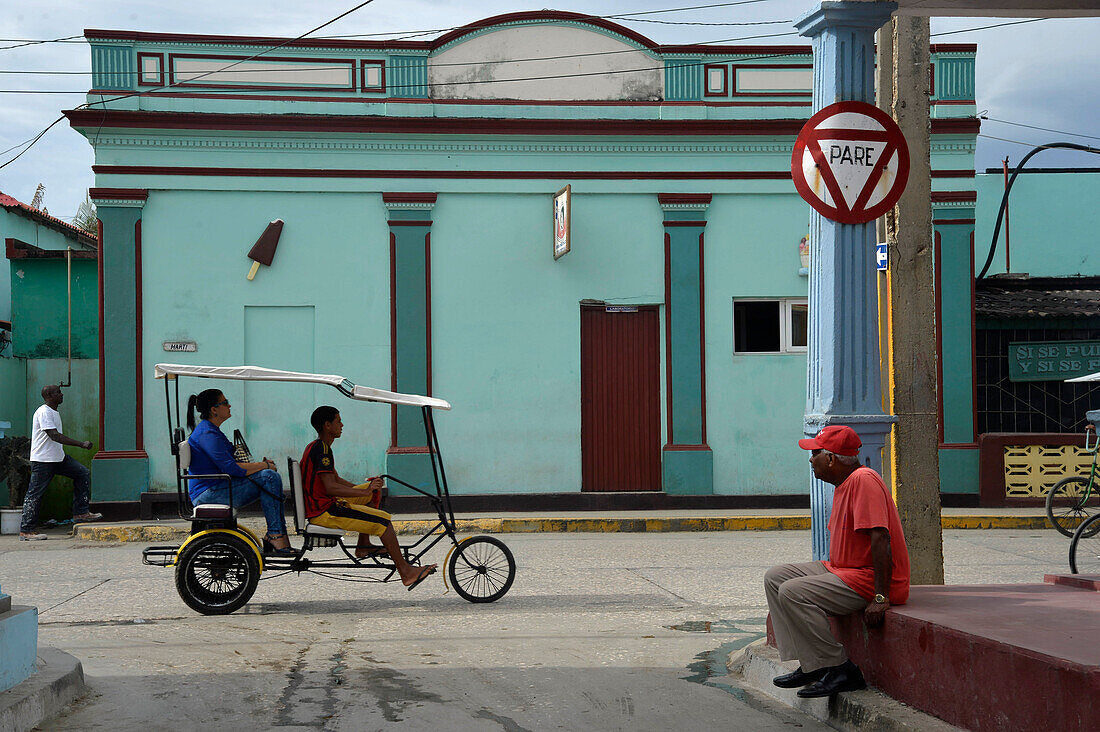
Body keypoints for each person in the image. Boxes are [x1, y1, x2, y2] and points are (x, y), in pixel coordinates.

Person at [763, 425, 910, 698]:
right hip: (843, 570)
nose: (811, 459)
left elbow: (880, 538)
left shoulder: (864, 480)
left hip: (866, 578)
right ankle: (812, 664)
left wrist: (880, 596)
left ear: (831, 459)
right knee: (775, 577)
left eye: (815, 453)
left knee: (792, 592)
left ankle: (840, 668)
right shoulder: (844, 483)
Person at [301, 405, 437, 590]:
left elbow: (337, 480)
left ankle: (363, 545)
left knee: (374, 491)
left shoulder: (319, 447)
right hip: (324, 510)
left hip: (322, 504)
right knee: (383, 521)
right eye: (338, 421)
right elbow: (331, 487)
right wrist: (362, 492)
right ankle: (406, 572)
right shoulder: (322, 450)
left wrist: (367, 489)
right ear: (327, 425)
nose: (342, 425)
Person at [185, 388, 294, 556]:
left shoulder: (211, 430)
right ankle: (276, 534)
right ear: (214, 410)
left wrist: (261, 465)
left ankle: (278, 534)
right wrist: (263, 466)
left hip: (219, 486)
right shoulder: (207, 433)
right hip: (209, 493)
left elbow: (234, 463)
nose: (229, 406)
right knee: (269, 478)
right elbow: (231, 468)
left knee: (269, 476)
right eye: (225, 403)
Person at [20, 384, 101, 540]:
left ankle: (81, 513)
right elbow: (54, 435)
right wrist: (81, 444)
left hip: (58, 458)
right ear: (50, 395)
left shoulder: (53, 412)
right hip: (43, 460)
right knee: (35, 494)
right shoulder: (44, 412)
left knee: (82, 474)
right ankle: (26, 530)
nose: (62, 394)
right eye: (58, 392)